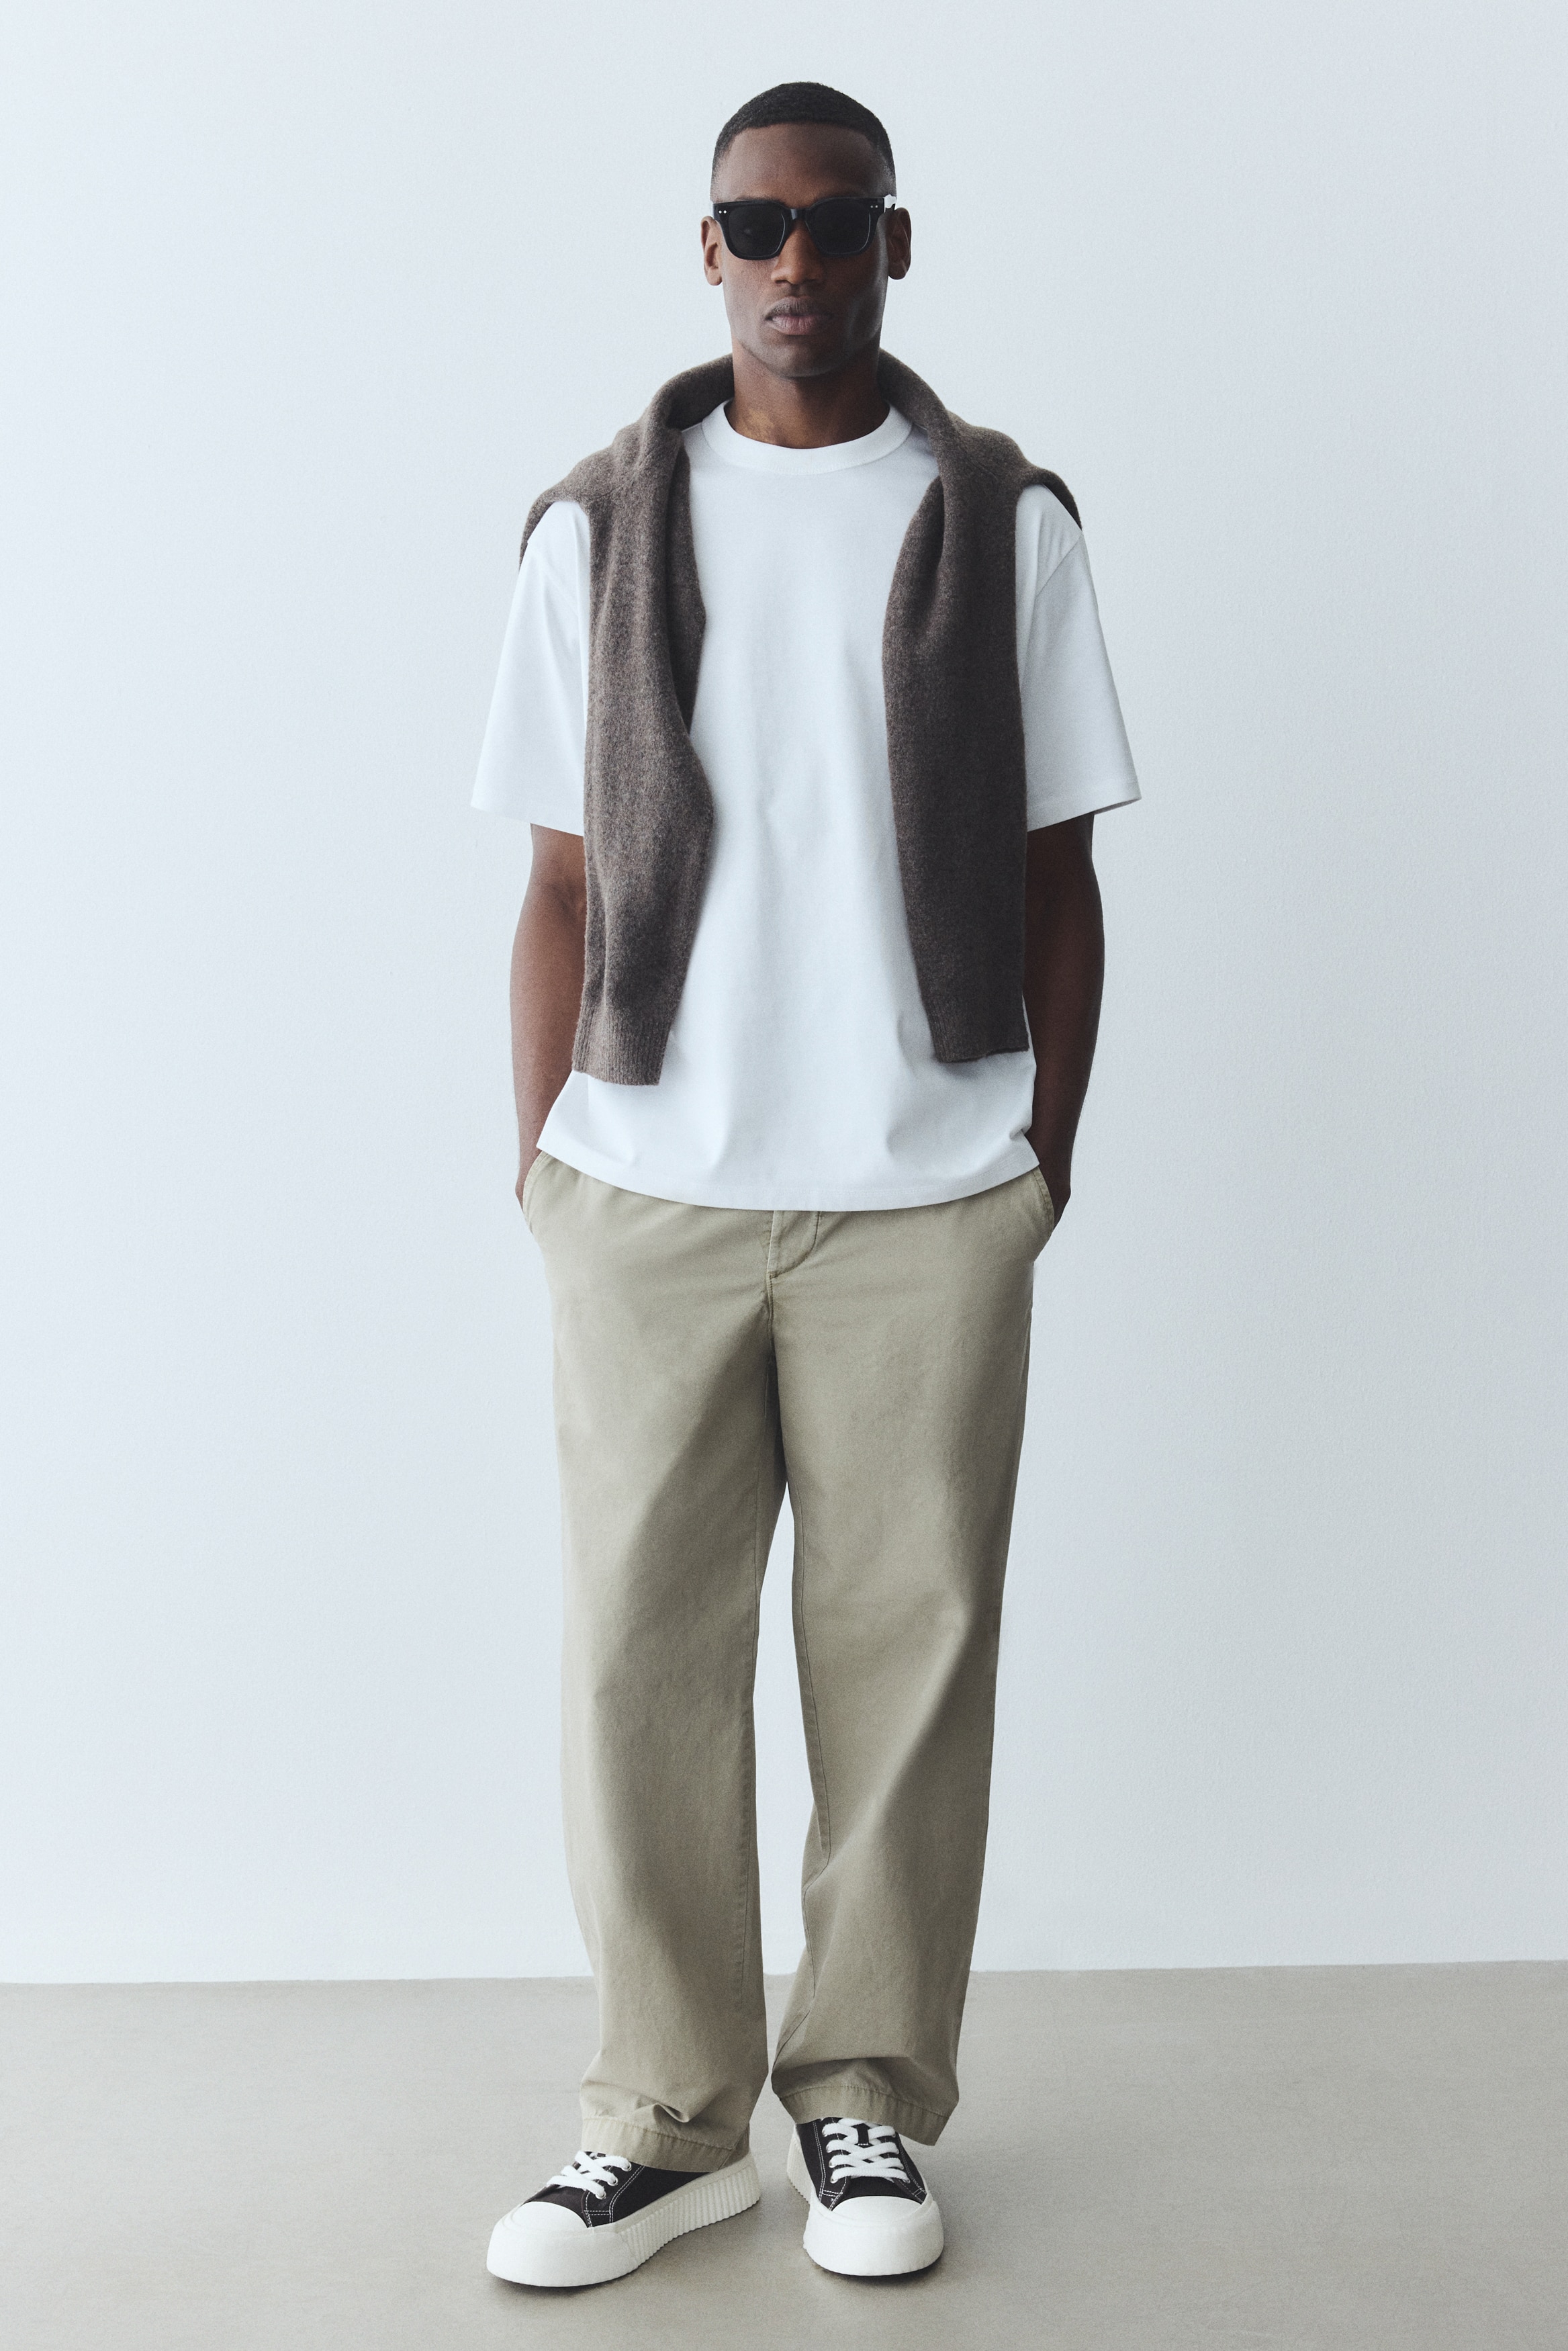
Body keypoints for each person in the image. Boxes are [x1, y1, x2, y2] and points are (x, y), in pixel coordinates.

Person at [471, 80, 1139, 2291]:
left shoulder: (1001, 519)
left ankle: (864, 2101)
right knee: (632, 1666)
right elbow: (557, 883)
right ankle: (664, 2124)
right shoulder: (596, 528)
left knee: (908, 1666)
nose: (794, 262)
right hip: (646, 1195)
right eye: (754, 224)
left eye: (834, 224)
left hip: (927, 1202)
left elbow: (1061, 879)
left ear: (893, 246)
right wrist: (548, 1164)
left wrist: (1033, 1167)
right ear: (707, 249)